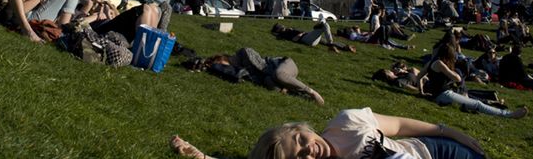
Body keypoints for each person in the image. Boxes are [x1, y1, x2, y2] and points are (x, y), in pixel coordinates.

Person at [171, 107, 490, 159]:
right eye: (300, 157)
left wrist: (453, 133)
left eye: (300, 140)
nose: (309, 150)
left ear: (304, 129)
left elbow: (402, 126)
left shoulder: (346, 123)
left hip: (438, 151)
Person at [415, 43, 528, 119]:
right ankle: (509, 114)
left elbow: (419, 76)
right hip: (443, 95)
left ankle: (497, 106)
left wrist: (421, 92)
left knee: (474, 98)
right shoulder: (440, 64)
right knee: (476, 104)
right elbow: (457, 78)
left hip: (442, 94)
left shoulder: (431, 62)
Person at [202, 47, 324, 105]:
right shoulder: (239, 71)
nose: (223, 68)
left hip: (283, 64)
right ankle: (299, 95)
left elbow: (262, 68)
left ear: (222, 59)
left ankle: (312, 92)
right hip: (273, 75)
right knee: (269, 82)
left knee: (277, 75)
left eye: (220, 64)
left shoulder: (243, 52)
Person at [271, 16, 356, 53]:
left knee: (326, 40)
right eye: (281, 26)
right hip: (305, 39)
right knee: (325, 25)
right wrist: (300, 34)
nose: (283, 26)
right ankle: (330, 44)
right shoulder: (284, 34)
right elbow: (294, 40)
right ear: (279, 30)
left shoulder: (288, 29)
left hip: (308, 36)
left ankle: (345, 47)